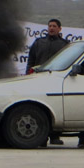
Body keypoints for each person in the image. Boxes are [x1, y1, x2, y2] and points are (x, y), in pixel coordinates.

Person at [28, 18, 70, 146]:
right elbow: (31, 60)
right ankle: (42, 137)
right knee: (40, 108)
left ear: (59, 29)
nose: (51, 28)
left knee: (54, 107)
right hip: (39, 79)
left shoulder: (64, 44)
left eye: (54, 26)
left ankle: (55, 136)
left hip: (56, 80)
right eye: (50, 26)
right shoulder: (39, 43)